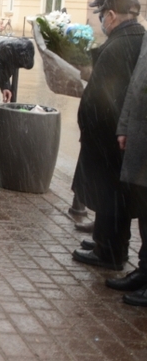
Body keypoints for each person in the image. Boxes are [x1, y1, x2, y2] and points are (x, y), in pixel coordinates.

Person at [71, 0, 145, 271]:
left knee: (110, 196)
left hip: (108, 136)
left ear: (111, 16)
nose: (101, 21)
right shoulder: (138, 38)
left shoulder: (116, 47)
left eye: (102, 16)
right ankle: (105, 241)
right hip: (123, 134)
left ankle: (110, 252)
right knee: (116, 197)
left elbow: (102, 98)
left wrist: (89, 128)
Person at [113, 26, 147, 306]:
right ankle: (144, 271)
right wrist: (124, 126)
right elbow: (137, 80)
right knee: (144, 209)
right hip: (141, 133)